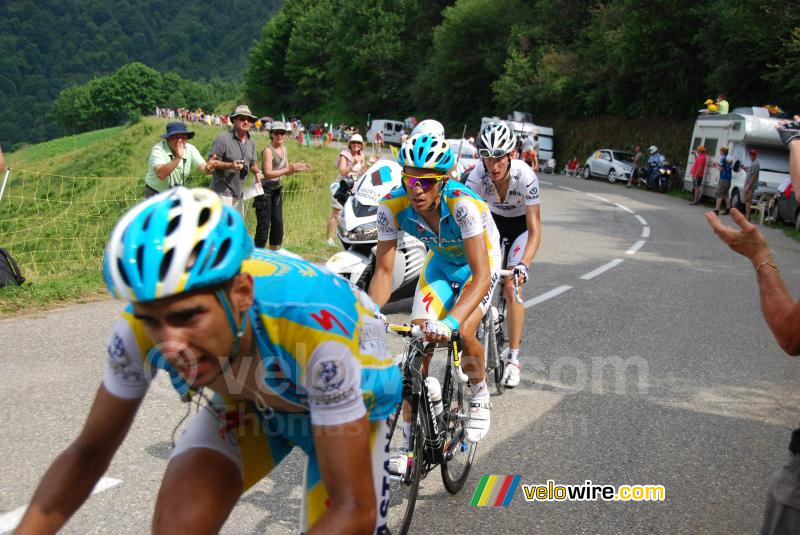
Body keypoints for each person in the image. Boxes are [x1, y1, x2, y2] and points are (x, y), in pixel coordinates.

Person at [16, 188, 400, 534]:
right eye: (153, 320)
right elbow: (88, 452)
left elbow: (353, 508)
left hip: (351, 407)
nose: (170, 345)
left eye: (188, 317)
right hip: (252, 402)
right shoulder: (138, 325)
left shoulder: (314, 332)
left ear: (241, 294)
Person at [368, 133, 501, 450]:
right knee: (418, 340)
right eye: (410, 179)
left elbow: (482, 275)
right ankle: (408, 440)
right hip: (440, 262)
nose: (416, 189)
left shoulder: (463, 205)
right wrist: (367, 310)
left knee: (465, 331)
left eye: (426, 182)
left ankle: (480, 393)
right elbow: (384, 272)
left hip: (480, 263)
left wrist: (450, 323)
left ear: (443, 180)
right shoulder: (391, 206)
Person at [465, 121, 541, 387]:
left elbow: (534, 229)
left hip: (520, 226)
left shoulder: (526, 175)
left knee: (511, 285)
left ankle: (514, 358)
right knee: (479, 278)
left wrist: (524, 265)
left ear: (512, 155)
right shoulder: (477, 176)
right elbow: (469, 223)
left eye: (499, 158)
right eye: (487, 158)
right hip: (492, 223)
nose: (493, 165)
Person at [254, 121, 311, 250]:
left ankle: (273, 255)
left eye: (282, 133)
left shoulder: (284, 149)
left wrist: (296, 168)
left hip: (277, 189)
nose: (279, 135)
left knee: (278, 224)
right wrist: (287, 170)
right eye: (276, 133)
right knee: (264, 225)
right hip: (265, 191)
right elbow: (268, 173)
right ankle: (258, 257)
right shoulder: (268, 151)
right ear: (271, 134)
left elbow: (286, 170)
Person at [209, 104, 264, 216]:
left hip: (239, 194)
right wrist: (231, 165)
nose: (246, 122)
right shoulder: (223, 138)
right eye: (242, 118)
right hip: (222, 192)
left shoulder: (251, 142)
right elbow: (212, 162)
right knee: (223, 228)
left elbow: (252, 163)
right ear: (234, 120)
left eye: (249, 119)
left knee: (236, 229)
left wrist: (257, 172)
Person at [142, 122, 214, 198]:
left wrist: (209, 167)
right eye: (175, 137)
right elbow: (161, 174)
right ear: (168, 139)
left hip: (175, 194)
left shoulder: (190, 149)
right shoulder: (158, 150)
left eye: (183, 137)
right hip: (156, 193)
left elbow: (203, 167)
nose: (179, 141)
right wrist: (178, 158)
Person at [327, 134, 367, 245]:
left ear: (361, 145)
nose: (356, 145)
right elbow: (342, 172)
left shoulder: (362, 156)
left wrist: (368, 164)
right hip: (342, 188)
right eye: (354, 142)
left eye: (358, 143)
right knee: (336, 214)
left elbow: (360, 173)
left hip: (354, 189)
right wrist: (353, 162)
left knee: (349, 216)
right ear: (350, 144)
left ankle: (345, 240)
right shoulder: (344, 155)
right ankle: (329, 239)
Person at [712, 146, 733, 215]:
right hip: (729, 178)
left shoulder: (723, 158)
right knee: (726, 194)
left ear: (723, 151)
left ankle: (717, 210)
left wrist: (715, 166)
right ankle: (728, 209)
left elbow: (721, 169)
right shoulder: (729, 158)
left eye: (720, 150)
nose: (720, 152)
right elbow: (726, 166)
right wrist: (718, 164)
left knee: (719, 193)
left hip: (723, 178)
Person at [742, 149, 761, 220]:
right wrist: (745, 169)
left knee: (748, 202)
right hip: (748, 186)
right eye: (750, 154)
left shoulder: (756, 164)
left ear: (756, 155)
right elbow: (750, 173)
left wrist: (748, 186)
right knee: (747, 200)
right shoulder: (753, 163)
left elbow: (753, 176)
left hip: (750, 187)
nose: (751, 156)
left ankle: (747, 217)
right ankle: (747, 216)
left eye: (753, 154)